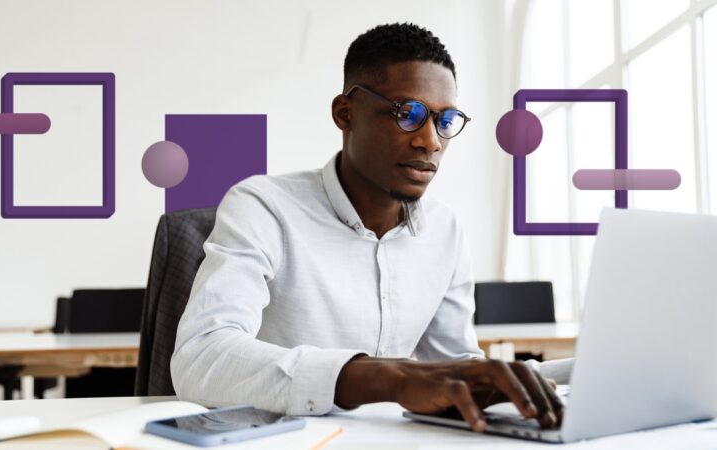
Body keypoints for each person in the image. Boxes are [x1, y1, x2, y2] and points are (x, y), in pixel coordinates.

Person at [171, 22, 568, 432]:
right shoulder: (264, 207)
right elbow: (200, 358)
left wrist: (510, 383)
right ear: (346, 114)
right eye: (408, 114)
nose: (431, 141)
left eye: (445, 120)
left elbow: (450, 363)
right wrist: (387, 377)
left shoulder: (445, 230)